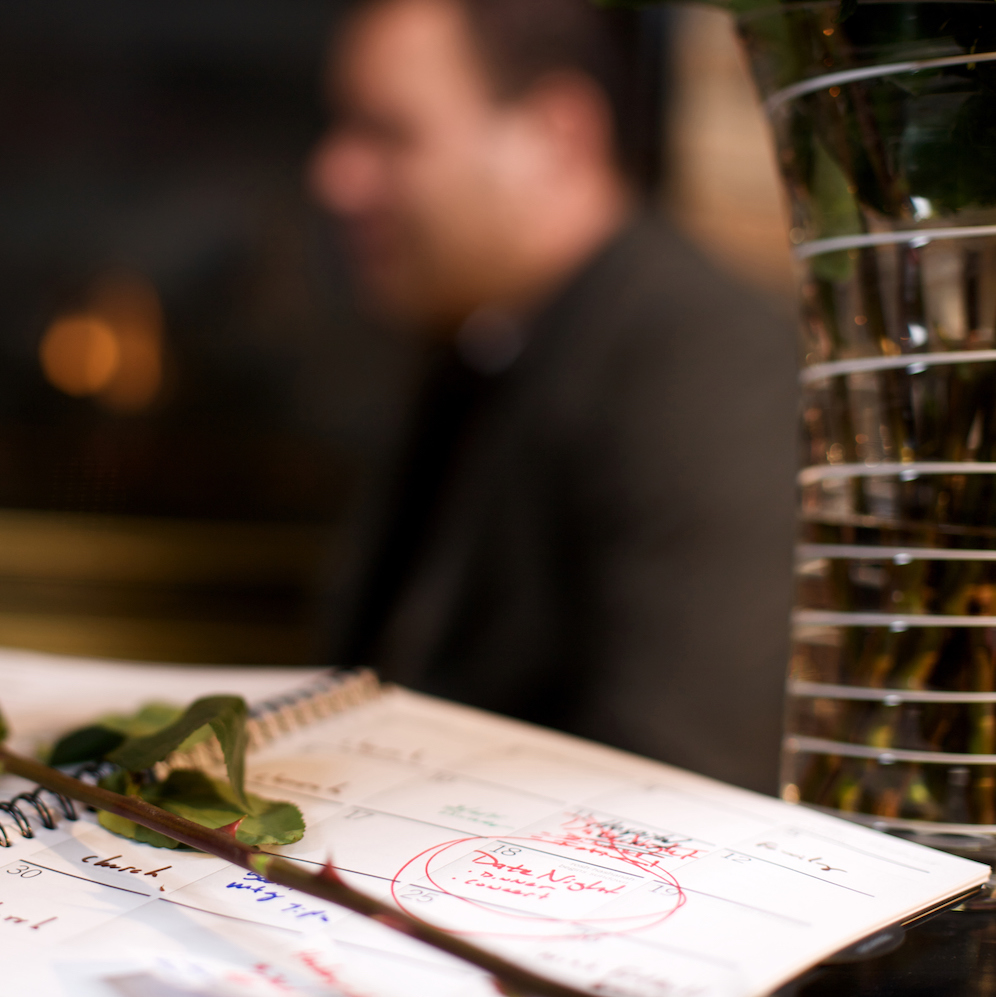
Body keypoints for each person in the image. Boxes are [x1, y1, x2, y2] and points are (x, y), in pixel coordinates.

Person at [314, 0, 797, 792]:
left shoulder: (701, 359)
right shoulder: (474, 348)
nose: (335, 176)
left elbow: (683, 772)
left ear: (557, 135)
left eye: (388, 132)